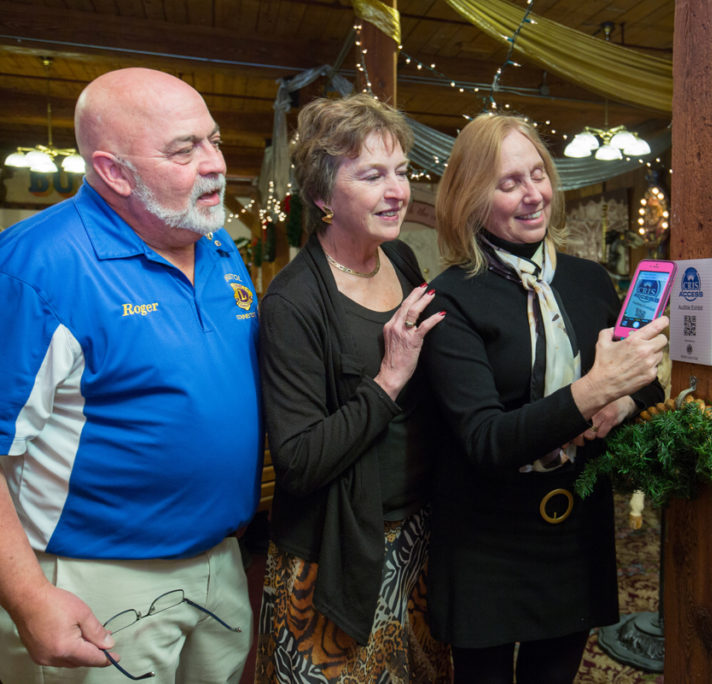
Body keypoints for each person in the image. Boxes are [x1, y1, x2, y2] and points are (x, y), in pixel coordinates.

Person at [0, 68, 261, 683]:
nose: (215, 164)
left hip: (220, 561)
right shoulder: (36, 268)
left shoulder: (218, 243)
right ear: (114, 172)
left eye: (214, 140)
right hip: (97, 576)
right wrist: (29, 598)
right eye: (184, 149)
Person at [421, 113, 670, 683]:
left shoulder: (589, 282)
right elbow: (485, 441)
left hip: (576, 530)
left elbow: (646, 387)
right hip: (487, 539)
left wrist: (622, 402)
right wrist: (593, 390)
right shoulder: (449, 298)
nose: (533, 195)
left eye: (539, 174)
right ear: (470, 197)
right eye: (509, 183)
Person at [254, 94, 451, 682]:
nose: (397, 191)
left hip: (417, 529)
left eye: (400, 172)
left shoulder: (404, 258)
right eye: (372, 176)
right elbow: (298, 461)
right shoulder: (292, 303)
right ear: (322, 195)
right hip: (334, 550)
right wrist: (387, 379)